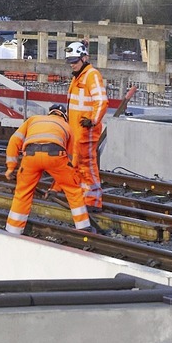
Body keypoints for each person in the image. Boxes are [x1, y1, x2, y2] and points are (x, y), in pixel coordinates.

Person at [3, 104, 91, 235]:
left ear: (49, 113)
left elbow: (14, 141)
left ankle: (13, 230)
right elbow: (71, 162)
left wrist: (11, 168)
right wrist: (55, 188)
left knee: (23, 193)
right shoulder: (67, 127)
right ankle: (83, 227)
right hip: (56, 155)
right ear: (64, 116)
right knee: (73, 191)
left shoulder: (33, 120)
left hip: (30, 156)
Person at [64, 41, 109, 218]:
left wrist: (93, 120)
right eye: (70, 61)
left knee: (87, 165)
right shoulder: (78, 76)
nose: (72, 64)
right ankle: (83, 198)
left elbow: (101, 100)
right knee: (78, 165)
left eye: (75, 61)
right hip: (76, 130)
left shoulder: (91, 75)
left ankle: (93, 201)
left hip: (86, 130)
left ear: (84, 58)